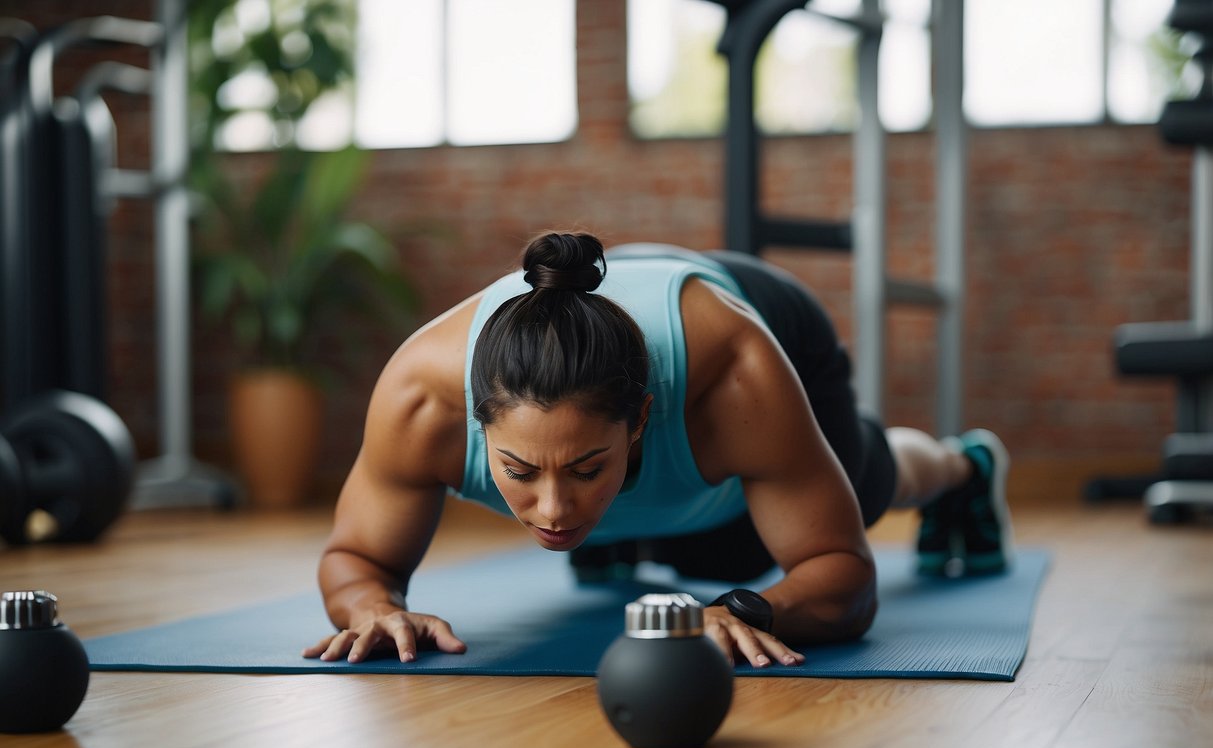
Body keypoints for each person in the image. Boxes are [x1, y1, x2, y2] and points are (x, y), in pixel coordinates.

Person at [303, 231, 1011, 669]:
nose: (549, 507)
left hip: (766, 320)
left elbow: (844, 578)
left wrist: (746, 610)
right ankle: (617, 520)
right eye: (518, 471)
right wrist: (370, 606)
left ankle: (961, 467)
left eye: (585, 468)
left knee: (834, 500)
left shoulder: (734, 375)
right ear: (477, 424)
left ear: (641, 419)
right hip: (600, 343)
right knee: (655, 536)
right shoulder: (420, 402)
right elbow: (355, 558)